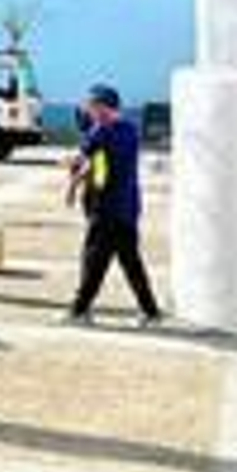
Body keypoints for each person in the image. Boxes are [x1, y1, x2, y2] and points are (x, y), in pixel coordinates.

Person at [66, 84, 162, 327]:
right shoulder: (130, 130)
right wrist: (75, 184)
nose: (89, 111)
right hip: (128, 207)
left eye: (92, 107)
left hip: (106, 209)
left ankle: (79, 311)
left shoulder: (101, 131)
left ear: (102, 107)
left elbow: (82, 158)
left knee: (94, 260)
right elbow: (98, 163)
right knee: (130, 262)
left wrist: (71, 172)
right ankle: (150, 312)